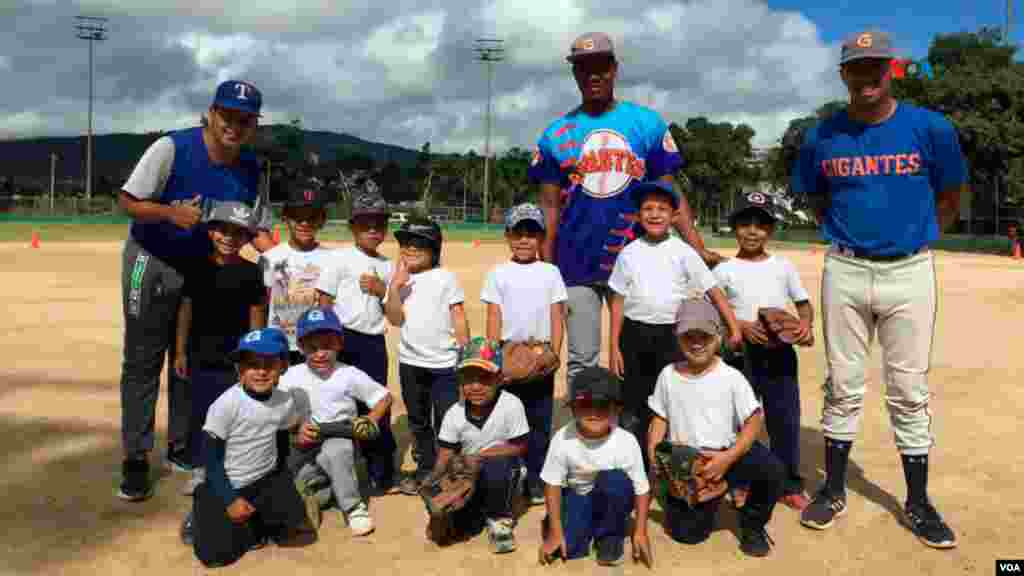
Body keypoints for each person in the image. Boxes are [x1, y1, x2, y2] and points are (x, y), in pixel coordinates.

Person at [791, 28, 965, 548]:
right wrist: (850, 235)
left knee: (908, 390)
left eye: (876, 66)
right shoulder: (822, 134)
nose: (867, 75)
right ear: (843, 73)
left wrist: (919, 236)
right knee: (842, 384)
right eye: (856, 66)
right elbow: (815, 198)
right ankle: (835, 489)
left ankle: (918, 501)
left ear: (891, 70)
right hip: (845, 269)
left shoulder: (930, 129)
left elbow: (951, 192)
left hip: (909, 269)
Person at [528, 31, 720, 386]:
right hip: (575, 261)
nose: (593, 75)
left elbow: (670, 193)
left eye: (601, 66)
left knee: (641, 353)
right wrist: (546, 262)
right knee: (582, 358)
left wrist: (695, 246)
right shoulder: (556, 134)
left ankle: (640, 431)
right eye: (584, 68)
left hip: (639, 259)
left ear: (614, 69)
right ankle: (587, 433)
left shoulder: (645, 123)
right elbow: (549, 205)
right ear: (575, 74)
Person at [117, 80, 273, 501]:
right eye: (227, 116)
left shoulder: (251, 168)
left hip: (205, 272)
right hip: (152, 260)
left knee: (192, 355)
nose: (234, 126)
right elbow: (129, 200)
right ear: (210, 113)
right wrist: (170, 212)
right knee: (144, 359)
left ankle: (182, 446)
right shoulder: (172, 148)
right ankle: (135, 458)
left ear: (254, 124)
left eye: (245, 119)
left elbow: (256, 228)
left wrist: (292, 262)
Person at [608, 180, 741, 473]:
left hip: (672, 337)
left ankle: (672, 468)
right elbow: (617, 301)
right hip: (634, 335)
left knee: (672, 401)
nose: (655, 214)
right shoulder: (629, 253)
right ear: (638, 215)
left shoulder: (683, 252)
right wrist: (613, 346)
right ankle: (637, 468)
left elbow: (713, 290)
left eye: (662, 209)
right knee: (634, 405)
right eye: (648, 209)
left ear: (674, 216)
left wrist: (734, 327)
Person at [647, 297, 786, 557]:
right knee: (688, 536)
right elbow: (659, 418)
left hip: (728, 454)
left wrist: (728, 458)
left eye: (704, 335)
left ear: (718, 337)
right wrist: (654, 452)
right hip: (686, 462)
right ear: (677, 338)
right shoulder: (668, 375)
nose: (696, 342)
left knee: (773, 472)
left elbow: (753, 420)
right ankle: (699, 493)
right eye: (688, 336)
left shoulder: (731, 377)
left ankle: (752, 523)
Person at [712, 191, 814, 510]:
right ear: (735, 228)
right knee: (740, 421)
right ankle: (739, 481)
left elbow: (803, 305)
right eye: (745, 224)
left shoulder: (782, 266)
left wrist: (804, 326)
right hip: (740, 356)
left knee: (785, 419)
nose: (753, 231)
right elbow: (713, 311)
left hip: (779, 353)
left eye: (761, 224)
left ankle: (788, 482)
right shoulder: (725, 270)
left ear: (770, 230)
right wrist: (741, 325)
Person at [174, 200, 267, 544]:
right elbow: (186, 308)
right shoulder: (196, 267)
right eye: (222, 230)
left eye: (237, 233)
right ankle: (200, 481)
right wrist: (181, 349)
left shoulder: (250, 272)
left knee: (234, 424)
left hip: (234, 364)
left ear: (246, 237)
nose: (229, 237)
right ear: (211, 231)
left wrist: (252, 359)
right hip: (200, 359)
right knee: (203, 421)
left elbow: (257, 315)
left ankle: (232, 478)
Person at [190, 327, 309, 568]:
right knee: (216, 557)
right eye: (253, 365)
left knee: (293, 526)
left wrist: (301, 430)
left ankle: (253, 521)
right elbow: (210, 459)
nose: (261, 371)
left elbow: (290, 424)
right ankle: (201, 515)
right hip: (225, 484)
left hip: (264, 480)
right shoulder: (226, 405)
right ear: (240, 369)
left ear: (282, 367)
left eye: (269, 364)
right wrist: (230, 499)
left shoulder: (284, 401)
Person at [480, 203, 567, 505]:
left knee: (540, 421)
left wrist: (555, 352)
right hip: (509, 354)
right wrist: (493, 356)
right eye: (518, 233)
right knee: (507, 420)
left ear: (542, 239)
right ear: (507, 236)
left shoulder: (551, 272)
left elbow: (557, 315)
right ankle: (510, 475)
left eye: (532, 234)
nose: (524, 240)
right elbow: (494, 316)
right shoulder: (498, 273)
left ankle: (535, 479)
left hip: (540, 351)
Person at [280, 307, 393, 537]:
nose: (320, 353)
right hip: (303, 443)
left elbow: (385, 396)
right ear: (300, 347)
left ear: (339, 344)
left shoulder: (349, 373)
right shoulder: (291, 376)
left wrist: (371, 418)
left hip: (338, 435)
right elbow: (274, 408)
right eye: (312, 348)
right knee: (291, 484)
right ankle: (326, 490)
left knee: (338, 451)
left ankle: (353, 507)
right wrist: (294, 428)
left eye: (327, 346)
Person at [316, 183, 398, 494]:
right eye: (366, 224)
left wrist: (382, 291)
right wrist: (328, 340)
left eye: (380, 224)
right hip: (342, 338)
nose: (374, 230)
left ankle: (380, 469)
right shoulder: (339, 259)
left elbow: (393, 314)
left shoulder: (389, 266)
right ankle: (333, 466)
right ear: (353, 227)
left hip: (373, 342)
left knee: (375, 403)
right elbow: (324, 300)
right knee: (337, 400)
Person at [383, 217, 470, 494]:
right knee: (418, 420)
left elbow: (458, 316)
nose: (410, 248)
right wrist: (395, 287)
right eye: (406, 244)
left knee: (446, 420)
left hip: (444, 363)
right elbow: (395, 319)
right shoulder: (400, 280)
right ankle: (425, 469)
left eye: (419, 243)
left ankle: (449, 471)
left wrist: (464, 353)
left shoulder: (445, 277)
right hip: (410, 363)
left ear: (434, 248)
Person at [538, 366, 651, 567]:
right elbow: (552, 483)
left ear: (616, 409)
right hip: (577, 494)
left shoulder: (627, 441)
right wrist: (556, 531)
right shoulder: (562, 438)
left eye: (603, 406)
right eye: (585, 405)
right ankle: (567, 521)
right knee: (569, 550)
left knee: (615, 480)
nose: (594, 412)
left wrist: (640, 531)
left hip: (610, 495)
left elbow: (642, 489)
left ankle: (609, 535)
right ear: (572, 408)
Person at [429, 337, 529, 553]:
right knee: (459, 529)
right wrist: (433, 481)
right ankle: (475, 510)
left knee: (498, 466)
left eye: (484, 378)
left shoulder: (511, 404)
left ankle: (499, 519)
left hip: (504, 471)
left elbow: (520, 447)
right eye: (468, 379)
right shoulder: (454, 413)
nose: (475, 386)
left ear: (499, 378)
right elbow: (445, 455)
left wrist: (480, 457)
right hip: (469, 476)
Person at [259, 177, 332, 360]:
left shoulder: (334, 259)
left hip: (315, 347)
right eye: (297, 217)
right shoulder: (270, 257)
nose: (304, 223)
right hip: (278, 344)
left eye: (312, 217)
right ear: (285, 218)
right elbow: (261, 304)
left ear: (322, 221)